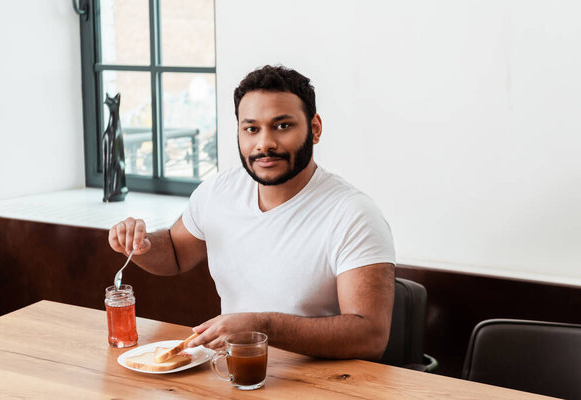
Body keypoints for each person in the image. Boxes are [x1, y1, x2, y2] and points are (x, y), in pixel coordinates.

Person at [109, 65, 396, 361]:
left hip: (324, 384)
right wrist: (141, 245)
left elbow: (370, 336)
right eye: (251, 129)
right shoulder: (218, 191)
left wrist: (262, 327)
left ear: (315, 129)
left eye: (282, 126)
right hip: (235, 374)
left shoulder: (354, 214)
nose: (264, 144)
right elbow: (176, 253)